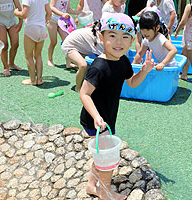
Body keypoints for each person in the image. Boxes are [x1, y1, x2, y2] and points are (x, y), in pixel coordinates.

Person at [79, 13, 154, 200]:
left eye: (125, 37)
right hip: (95, 119)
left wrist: (144, 71)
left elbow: (132, 82)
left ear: (131, 41)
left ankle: (91, 186)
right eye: (112, 36)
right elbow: (84, 93)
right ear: (101, 37)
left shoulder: (123, 61)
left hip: (108, 117)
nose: (118, 42)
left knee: (101, 155)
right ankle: (105, 193)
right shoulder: (98, 67)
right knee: (108, 159)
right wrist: (96, 117)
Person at [14, 0, 51, 85]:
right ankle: (39, 80)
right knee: (38, 55)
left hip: (31, 27)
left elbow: (24, 15)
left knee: (29, 56)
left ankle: (33, 80)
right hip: (42, 28)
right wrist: (42, 22)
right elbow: (49, 13)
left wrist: (16, 13)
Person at [61, 21, 104, 92]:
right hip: (70, 46)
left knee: (90, 64)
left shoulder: (98, 32)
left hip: (81, 46)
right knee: (83, 65)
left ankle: (87, 82)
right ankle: (78, 87)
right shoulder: (98, 38)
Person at [0, 0, 23, 76]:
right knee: (4, 45)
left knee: (15, 44)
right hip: (0, 23)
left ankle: (12, 63)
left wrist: (20, 21)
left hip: (12, 22)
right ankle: (6, 67)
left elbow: (19, 7)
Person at [47, 0, 83, 67]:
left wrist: (80, 12)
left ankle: (68, 63)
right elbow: (51, 7)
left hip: (62, 21)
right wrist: (62, 14)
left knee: (67, 41)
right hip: (52, 20)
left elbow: (68, 9)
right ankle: (50, 59)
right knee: (53, 41)